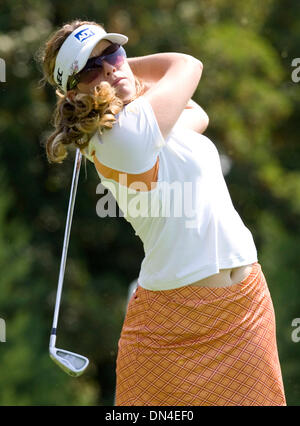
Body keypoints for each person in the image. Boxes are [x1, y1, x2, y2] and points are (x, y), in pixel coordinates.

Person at [39, 19, 286, 406]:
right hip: (172, 328)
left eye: (112, 53)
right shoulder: (122, 136)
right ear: (73, 92)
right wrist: (122, 68)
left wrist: (115, 71)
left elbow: (197, 115)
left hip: (245, 308)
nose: (108, 67)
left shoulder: (141, 124)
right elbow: (188, 65)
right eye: (90, 67)